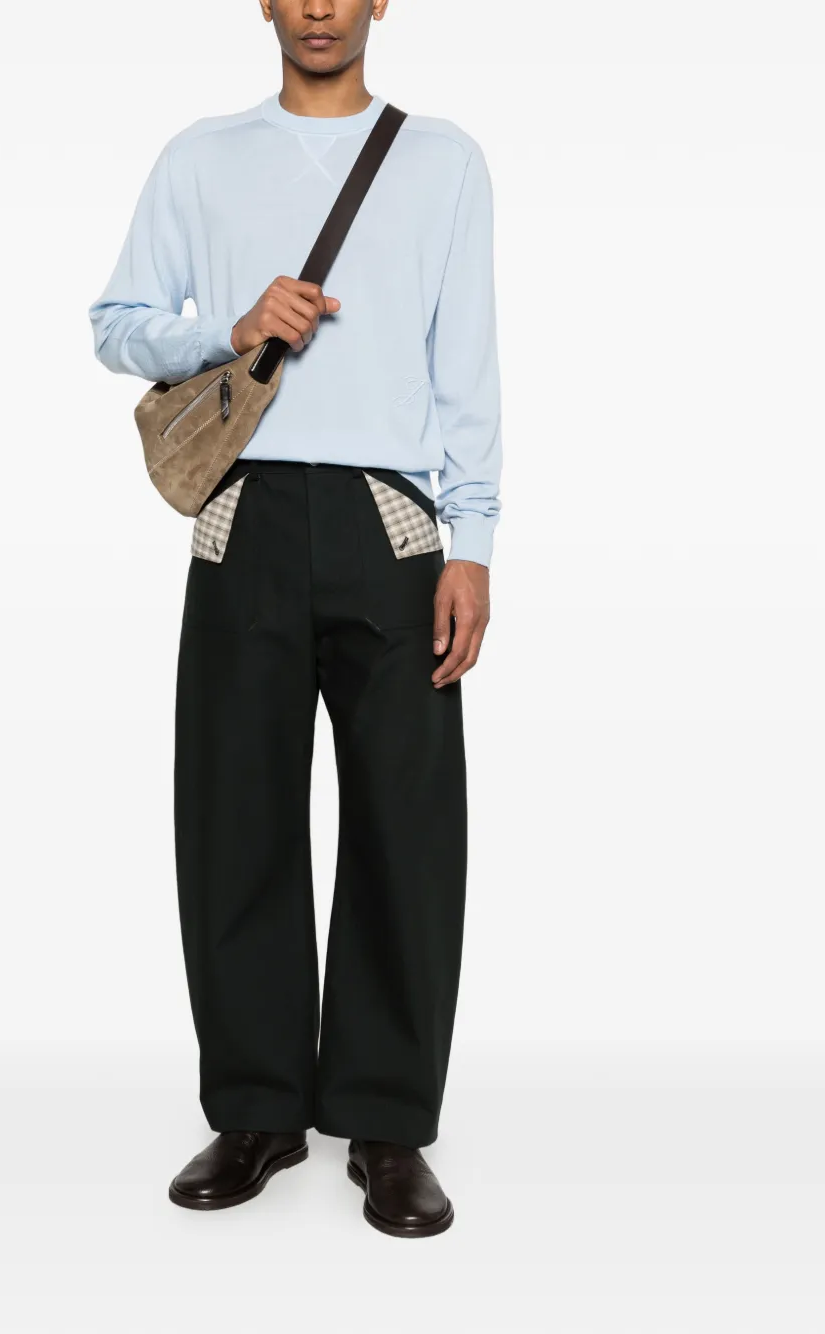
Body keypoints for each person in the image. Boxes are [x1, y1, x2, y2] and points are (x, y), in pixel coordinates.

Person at [87, 0, 502, 1239]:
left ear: (381, 1)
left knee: (405, 828)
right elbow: (115, 324)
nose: (319, 5)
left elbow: (467, 365)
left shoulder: (443, 161)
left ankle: (386, 1122)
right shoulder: (200, 158)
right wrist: (227, 328)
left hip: (393, 522)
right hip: (244, 515)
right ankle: (258, 1108)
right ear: (263, 2)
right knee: (234, 816)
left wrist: (472, 542)